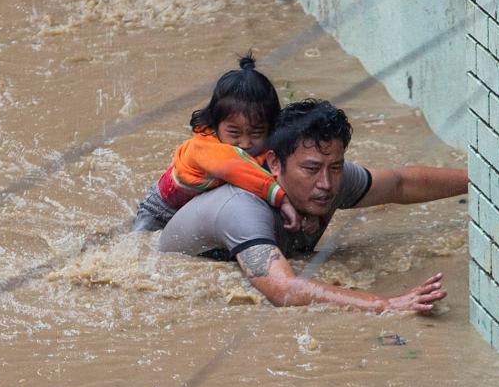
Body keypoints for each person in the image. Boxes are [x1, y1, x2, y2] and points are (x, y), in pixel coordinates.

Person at [158, 99, 469, 313]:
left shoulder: (331, 178)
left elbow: (401, 183)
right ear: (275, 164)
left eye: (335, 167)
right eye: (311, 169)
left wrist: (483, 180)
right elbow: (284, 291)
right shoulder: (242, 209)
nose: (326, 184)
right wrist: (385, 304)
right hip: (167, 271)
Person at [132, 54, 301, 233]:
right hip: (161, 213)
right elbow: (235, 167)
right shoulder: (204, 148)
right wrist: (282, 200)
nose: (244, 143)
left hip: (199, 211)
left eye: (256, 133)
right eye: (234, 133)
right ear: (214, 124)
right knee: (138, 244)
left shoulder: (267, 150)